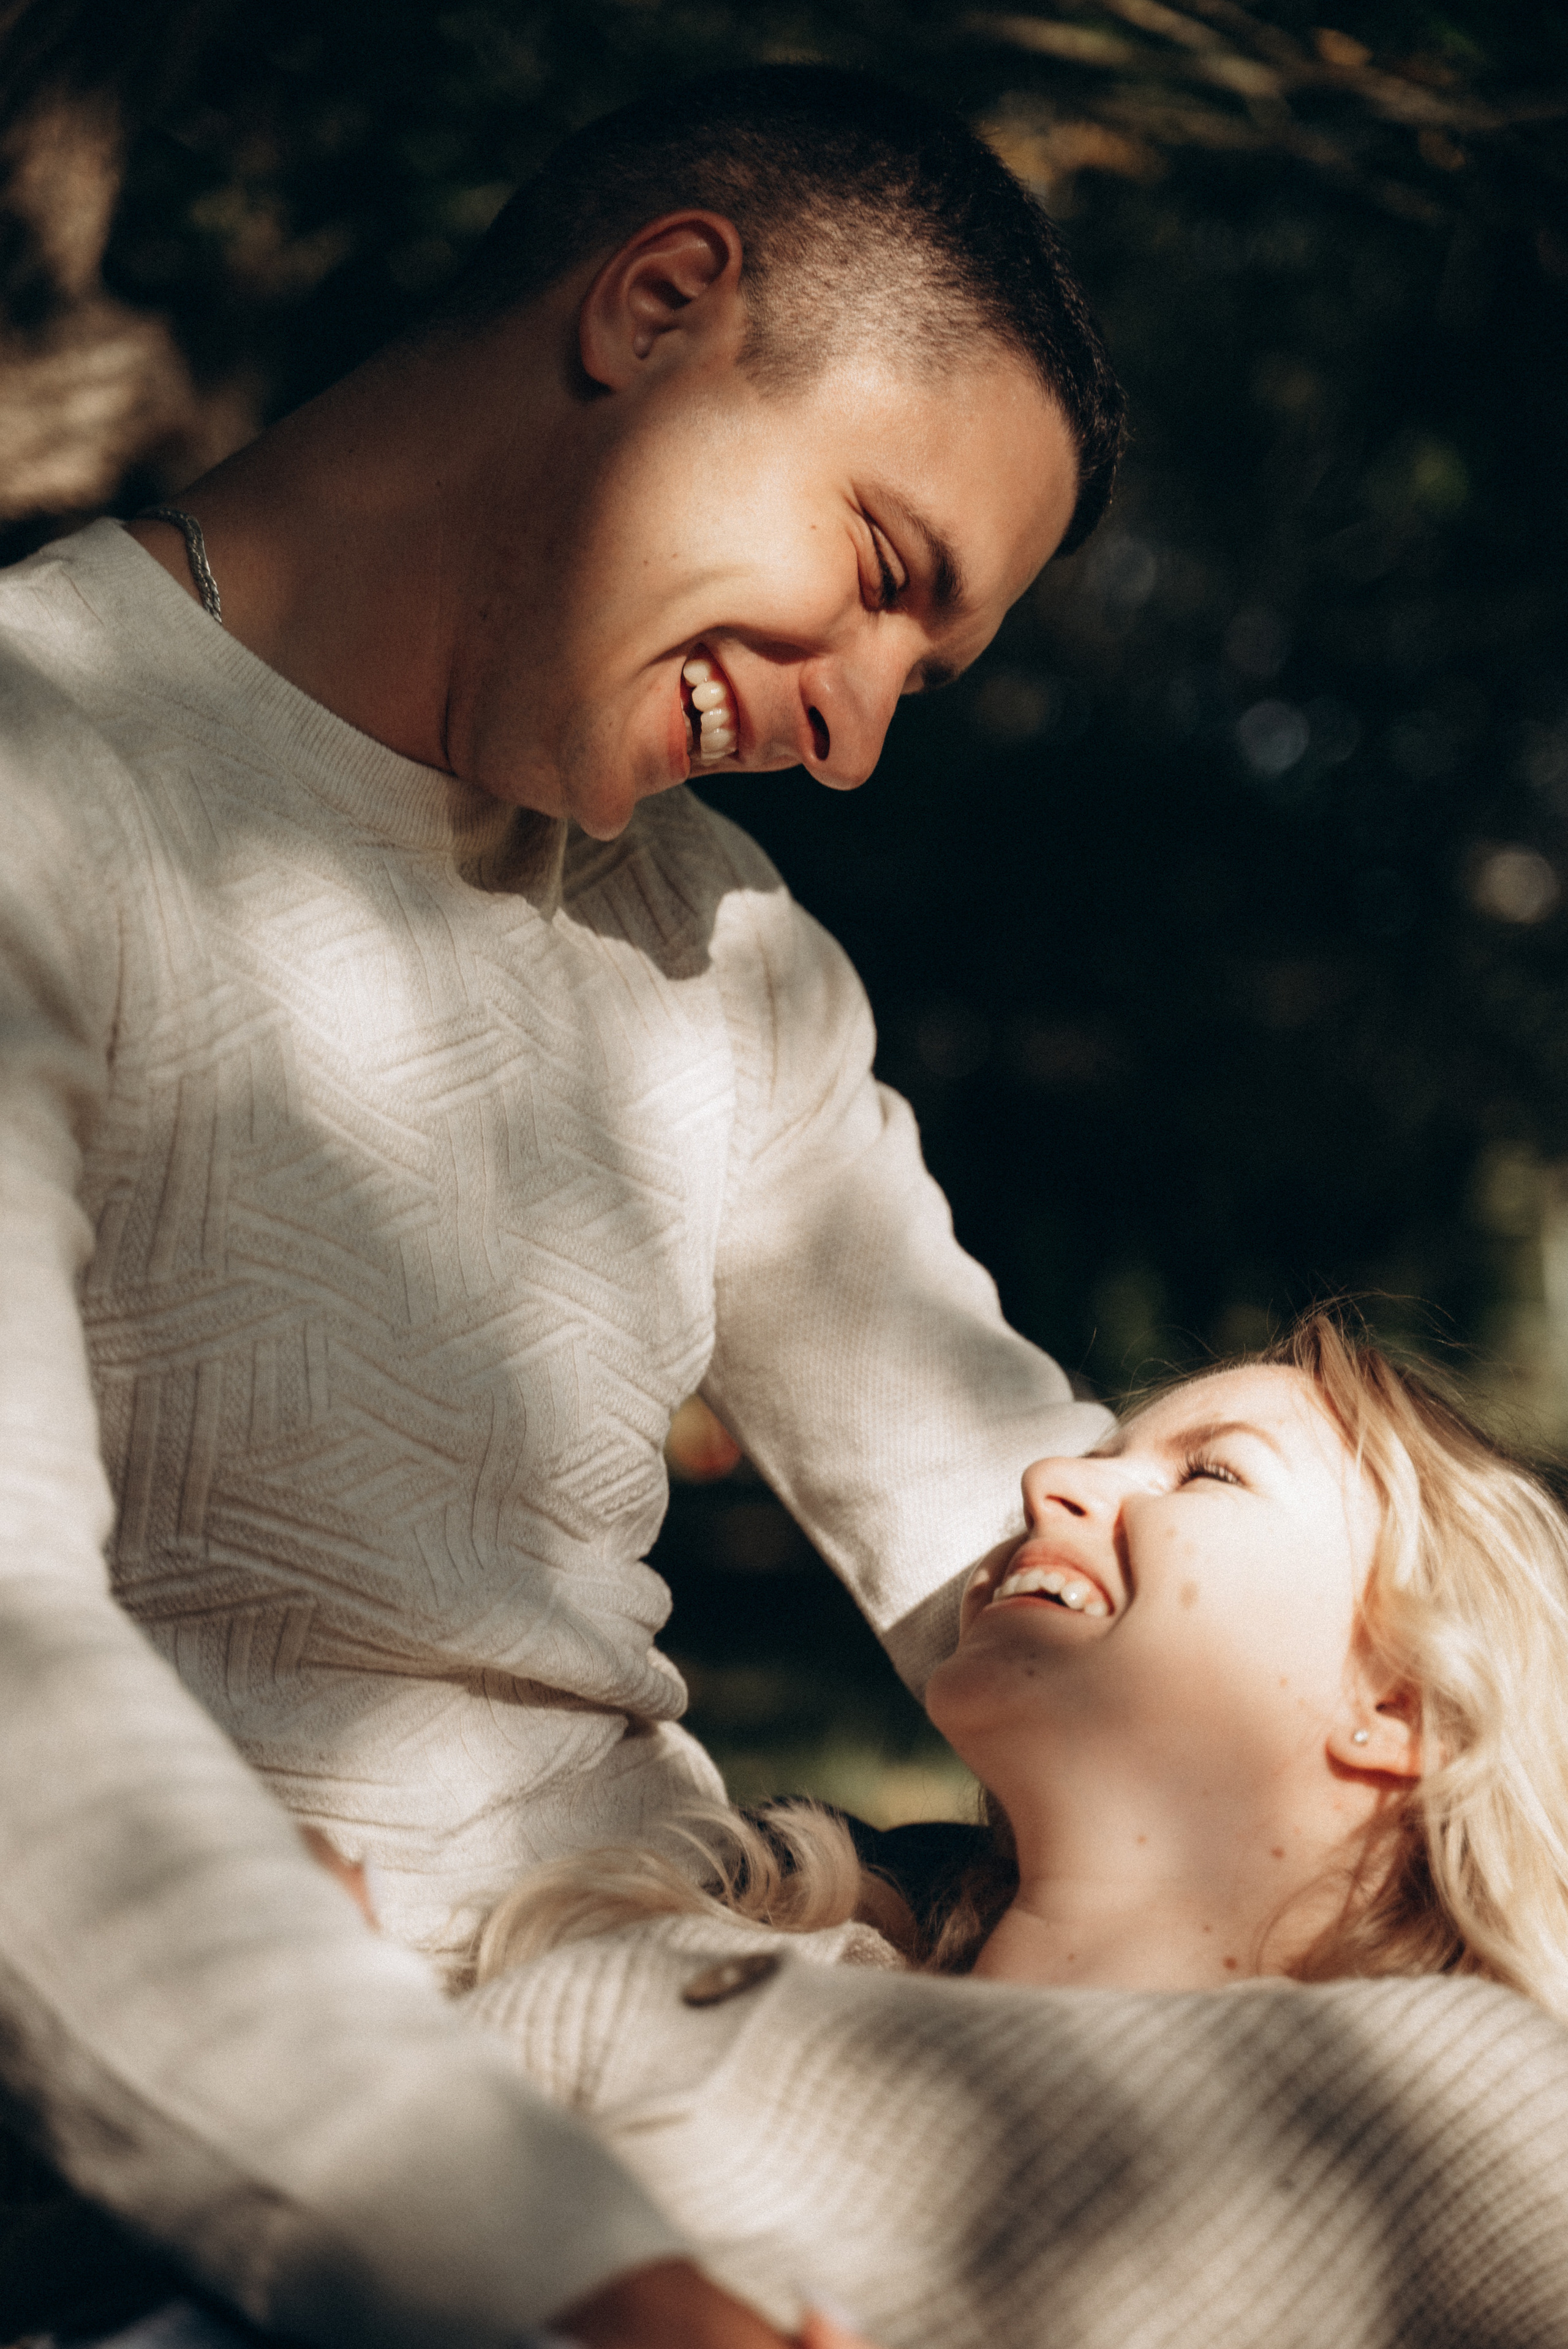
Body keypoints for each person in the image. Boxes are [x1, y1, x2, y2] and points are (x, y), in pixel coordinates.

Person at [0, 63, 1125, 2349]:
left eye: (927, 667)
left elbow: (1059, 1545)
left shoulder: (720, 951)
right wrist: (600, 2293)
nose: (859, 735)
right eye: (884, 573)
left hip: (716, 2039)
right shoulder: (44, 789)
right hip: (247, 2183)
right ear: (663, 303)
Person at [455, 1310, 1568, 2345]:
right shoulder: (672, 1965)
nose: (1050, 1478)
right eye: (1098, 1455)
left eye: (1211, 1472)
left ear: (1400, 1705)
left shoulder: (1479, 2107)